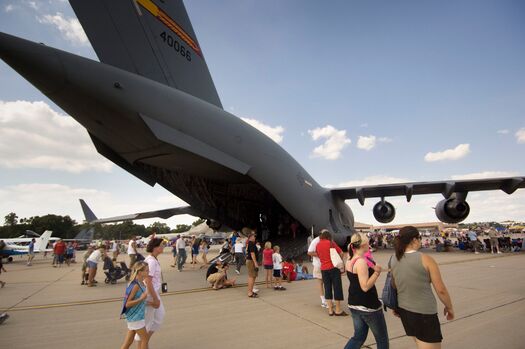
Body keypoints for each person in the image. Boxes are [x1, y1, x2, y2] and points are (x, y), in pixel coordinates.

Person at [391, 226, 454, 348]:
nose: (420, 241)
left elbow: (394, 284)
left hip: (404, 310)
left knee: (419, 343)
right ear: (414, 239)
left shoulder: (394, 259)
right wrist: (449, 307)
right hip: (423, 312)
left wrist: (395, 305)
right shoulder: (425, 259)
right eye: (419, 238)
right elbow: (440, 289)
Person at [344, 233, 388, 349]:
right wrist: (377, 273)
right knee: (382, 339)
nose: (369, 245)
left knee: (358, 337)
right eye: (368, 243)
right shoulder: (360, 262)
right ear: (363, 245)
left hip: (354, 303)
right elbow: (365, 286)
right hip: (368, 305)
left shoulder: (350, 260)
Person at [139, 238, 166, 346]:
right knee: (148, 323)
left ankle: (144, 341)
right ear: (155, 247)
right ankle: (143, 343)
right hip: (150, 294)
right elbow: (147, 280)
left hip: (153, 292)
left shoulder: (153, 259)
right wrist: (155, 298)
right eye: (161, 245)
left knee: (158, 318)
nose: (163, 247)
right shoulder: (151, 261)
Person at [316, 229, 346, 316]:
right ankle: (338, 310)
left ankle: (330, 310)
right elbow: (341, 253)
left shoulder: (317, 245)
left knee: (327, 288)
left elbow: (318, 255)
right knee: (337, 288)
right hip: (333, 268)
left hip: (324, 269)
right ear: (328, 236)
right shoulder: (331, 243)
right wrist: (339, 260)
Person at [120, 261, 150, 349]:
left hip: (137, 316)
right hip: (135, 317)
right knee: (145, 339)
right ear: (140, 272)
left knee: (129, 341)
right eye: (146, 270)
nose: (148, 272)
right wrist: (141, 298)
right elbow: (127, 304)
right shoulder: (135, 285)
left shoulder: (141, 282)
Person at [307, 230, 327, 308]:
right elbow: (309, 252)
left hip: (326, 265)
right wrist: (320, 254)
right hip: (318, 265)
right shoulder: (315, 241)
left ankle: (328, 299)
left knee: (327, 283)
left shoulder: (328, 240)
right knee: (320, 283)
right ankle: (323, 300)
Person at [245, 232, 260, 298]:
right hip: (251, 261)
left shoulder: (250, 243)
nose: (255, 237)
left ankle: (251, 291)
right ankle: (250, 292)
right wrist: (255, 263)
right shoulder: (251, 243)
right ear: (250, 237)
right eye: (254, 236)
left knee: (253, 276)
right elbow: (252, 254)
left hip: (251, 261)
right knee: (251, 276)